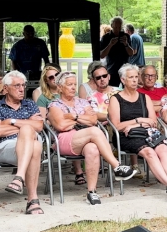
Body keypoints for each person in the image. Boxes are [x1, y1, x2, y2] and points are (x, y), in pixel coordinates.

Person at [47, 72, 136, 204]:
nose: (73, 87)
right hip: (65, 140)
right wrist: (82, 118)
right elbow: (61, 125)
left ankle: (92, 192)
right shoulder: (55, 105)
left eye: (74, 84)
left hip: (85, 137)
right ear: (59, 87)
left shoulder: (82, 102)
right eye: (69, 84)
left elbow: (93, 120)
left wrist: (74, 117)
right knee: (94, 131)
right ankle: (117, 166)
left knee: (93, 149)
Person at [108, 64, 167, 198]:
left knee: (163, 149)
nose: (135, 80)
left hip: (146, 132)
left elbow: (152, 121)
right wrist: (139, 121)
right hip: (127, 136)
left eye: (136, 77)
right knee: (149, 152)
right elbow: (117, 126)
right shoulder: (116, 99)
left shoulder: (144, 98)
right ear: (123, 80)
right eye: (131, 77)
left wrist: (136, 123)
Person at [0, 70, 46, 215]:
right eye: (17, 85)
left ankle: (19, 179)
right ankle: (32, 200)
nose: (21, 89)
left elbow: (39, 126)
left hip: (28, 145)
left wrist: (11, 122)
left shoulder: (30, 104)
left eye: (23, 85)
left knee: (33, 142)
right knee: (31, 139)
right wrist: (26, 125)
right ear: (5, 89)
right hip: (5, 147)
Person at [100, 18, 133, 87]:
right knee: (112, 91)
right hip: (112, 70)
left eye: (119, 27)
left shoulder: (126, 36)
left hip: (125, 69)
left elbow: (131, 53)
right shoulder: (106, 38)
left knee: (128, 89)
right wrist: (110, 44)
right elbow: (102, 55)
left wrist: (126, 44)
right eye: (115, 27)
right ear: (112, 25)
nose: (117, 29)